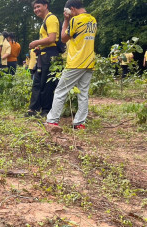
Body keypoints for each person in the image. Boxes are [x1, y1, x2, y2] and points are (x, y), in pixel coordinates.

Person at [46, 0, 97, 130]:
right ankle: (79, 123)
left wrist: (66, 20)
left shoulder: (75, 20)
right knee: (83, 93)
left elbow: (63, 38)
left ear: (72, 9)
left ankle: (52, 120)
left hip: (76, 62)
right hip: (89, 61)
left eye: (68, 11)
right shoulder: (93, 20)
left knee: (60, 91)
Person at [26, 0, 60, 117]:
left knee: (47, 84)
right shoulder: (45, 21)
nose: (36, 10)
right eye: (34, 8)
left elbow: (52, 38)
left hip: (50, 55)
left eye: (38, 6)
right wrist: (39, 47)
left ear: (46, 6)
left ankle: (46, 110)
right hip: (43, 55)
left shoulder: (51, 19)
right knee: (37, 82)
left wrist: (36, 42)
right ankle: (33, 109)